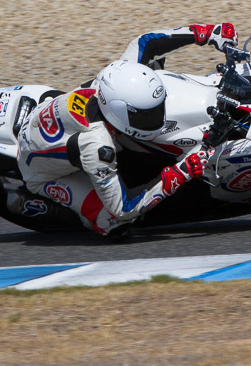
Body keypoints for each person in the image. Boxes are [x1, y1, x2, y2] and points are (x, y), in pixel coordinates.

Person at [15, 23, 238, 237]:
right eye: (148, 115)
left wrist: (205, 32)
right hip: (38, 170)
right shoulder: (99, 148)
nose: (158, 117)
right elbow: (123, 208)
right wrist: (182, 172)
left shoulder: (116, 78)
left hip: (55, 121)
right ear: (119, 112)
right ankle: (71, 215)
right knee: (113, 223)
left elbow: (146, 42)